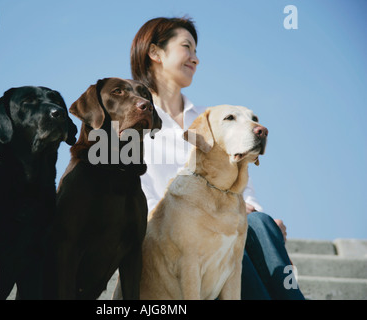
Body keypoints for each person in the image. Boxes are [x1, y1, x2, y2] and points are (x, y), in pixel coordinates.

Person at [131, 17, 305, 299]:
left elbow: (240, 178)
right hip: (173, 247)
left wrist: (250, 207)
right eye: (186, 47)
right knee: (223, 239)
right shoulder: (133, 124)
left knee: (259, 224)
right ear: (155, 53)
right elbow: (143, 201)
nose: (195, 59)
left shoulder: (213, 116)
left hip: (228, 224)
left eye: (197, 52)